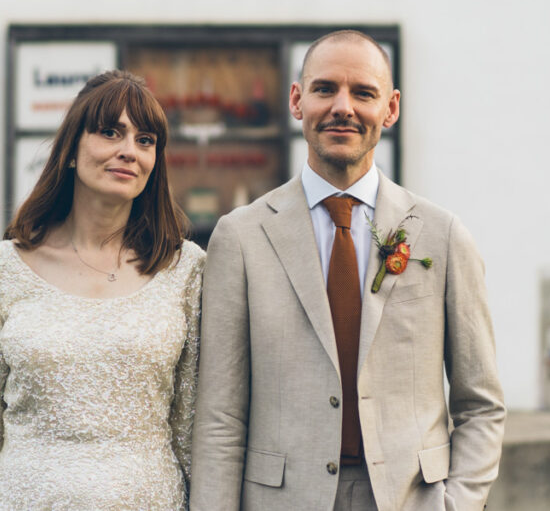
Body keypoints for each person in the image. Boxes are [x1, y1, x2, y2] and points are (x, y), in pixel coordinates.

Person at [191, 30, 505, 511]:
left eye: (363, 93)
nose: (343, 107)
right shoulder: (241, 237)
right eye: (325, 89)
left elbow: (480, 403)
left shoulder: (441, 235)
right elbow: (219, 416)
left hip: (410, 499)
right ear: (297, 100)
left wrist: (457, 504)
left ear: (391, 108)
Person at [0, 70, 204, 511]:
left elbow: (192, 428)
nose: (128, 151)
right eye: (110, 132)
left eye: (145, 140)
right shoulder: (1, 269)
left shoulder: (185, 270)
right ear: (70, 150)